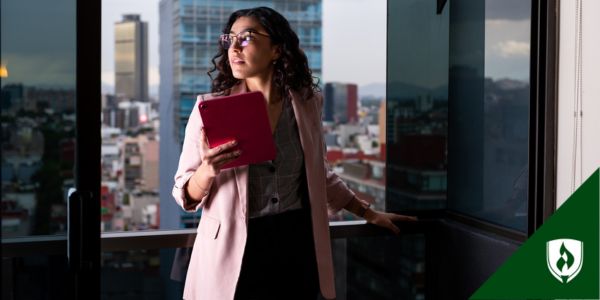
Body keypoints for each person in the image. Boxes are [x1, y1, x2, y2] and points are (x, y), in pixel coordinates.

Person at [172, 6, 417, 300]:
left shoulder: (307, 104)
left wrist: (366, 212)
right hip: (234, 249)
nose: (234, 48)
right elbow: (185, 193)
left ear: (276, 50)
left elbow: (318, 174)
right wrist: (207, 170)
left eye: (247, 38)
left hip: (296, 240)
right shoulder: (210, 110)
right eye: (230, 39)